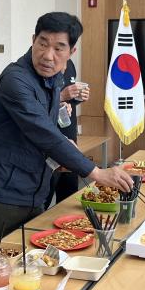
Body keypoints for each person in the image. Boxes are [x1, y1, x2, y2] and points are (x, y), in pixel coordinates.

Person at [0, 12, 132, 248]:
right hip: (1, 193)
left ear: (71, 51)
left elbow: (50, 127)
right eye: (43, 43)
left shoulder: (54, 77)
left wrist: (67, 147)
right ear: (33, 39)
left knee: (30, 262)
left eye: (58, 48)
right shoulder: (16, 80)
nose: (48, 55)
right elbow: (44, 132)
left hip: (34, 189)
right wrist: (96, 173)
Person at [44, 60, 90, 209]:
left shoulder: (70, 64)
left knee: (69, 197)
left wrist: (77, 98)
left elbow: (65, 101)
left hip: (69, 138)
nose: (64, 68)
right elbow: (38, 104)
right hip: (50, 142)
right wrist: (61, 96)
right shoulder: (44, 64)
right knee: (44, 198)